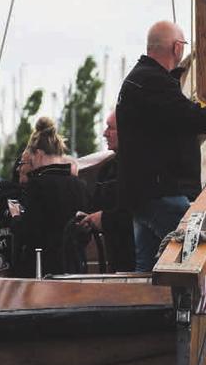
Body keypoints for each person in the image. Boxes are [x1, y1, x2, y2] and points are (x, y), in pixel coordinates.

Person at [116, 20, 206, 271]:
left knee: (149, 266)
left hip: (144, 194)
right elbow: (191, 117)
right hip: (163, 193)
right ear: (176, 48)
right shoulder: (153, 82)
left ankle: (154, 309)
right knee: (198, 264)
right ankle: (200, 310)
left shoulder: (139, 80)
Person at [15, 117, 90, 277]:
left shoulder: (37, 185)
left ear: (39, 154)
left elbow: (30, 232)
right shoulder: (80, 185)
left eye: (32, 158)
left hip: (45, 267)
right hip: (74, 268)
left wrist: (15, 220)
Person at [77, 110, 136, 271]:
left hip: (136, 257)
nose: (105, 133)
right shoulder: (107, 169)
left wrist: (105, 219)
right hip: (115, 258)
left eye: (111, 128)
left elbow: (139, 212)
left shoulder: (138, 170)